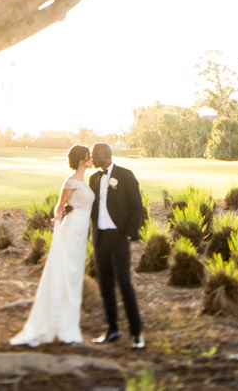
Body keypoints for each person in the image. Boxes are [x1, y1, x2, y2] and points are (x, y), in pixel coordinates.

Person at [10, 144, 95, 346]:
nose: (92, 158)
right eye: (89, 156)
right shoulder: (71, 181)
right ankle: (60, 324)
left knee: (74, 274)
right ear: (82, 159)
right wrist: (57, 221)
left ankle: (68, 322)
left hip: (82, 231)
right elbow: (59, 207)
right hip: (72, 228)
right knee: (66, 272)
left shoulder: (86, 181)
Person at [88, 141, 145, 349]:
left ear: (106, 155)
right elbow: (89, 206)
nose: (92, 157)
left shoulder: (125, 175)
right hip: (100, 239)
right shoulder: (93, 178)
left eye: (95, 154)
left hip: (120, 238)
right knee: (105, 286)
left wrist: (130, 234)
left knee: (124, 284)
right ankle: (112, 330)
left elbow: (137, 207)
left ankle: (136, 333)